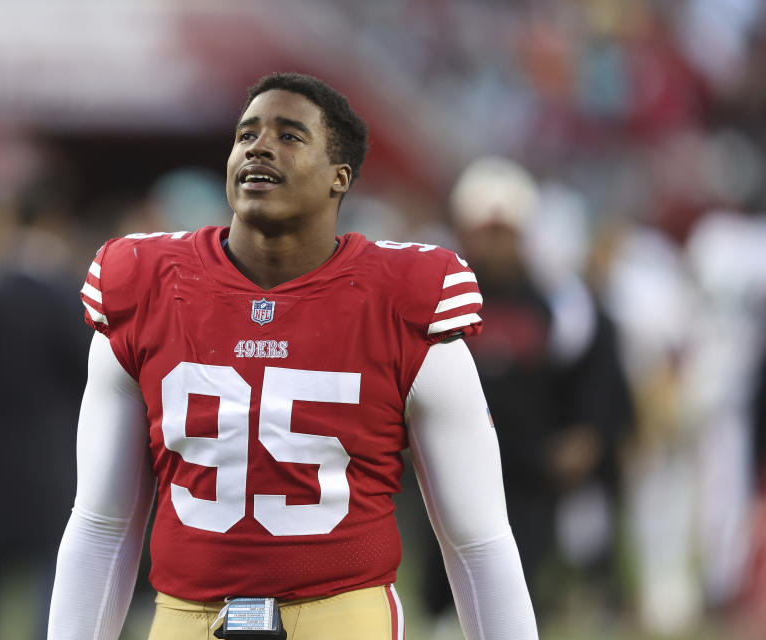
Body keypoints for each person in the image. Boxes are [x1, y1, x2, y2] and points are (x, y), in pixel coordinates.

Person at [47, 72, 538, 640]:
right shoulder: (146, 285)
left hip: (341, 617)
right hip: (185, 617)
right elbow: (102, 525)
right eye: (246, 133)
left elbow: (477, 540)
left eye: (289, 136)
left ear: (339, 177)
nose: (258, 146)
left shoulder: (404, 299)